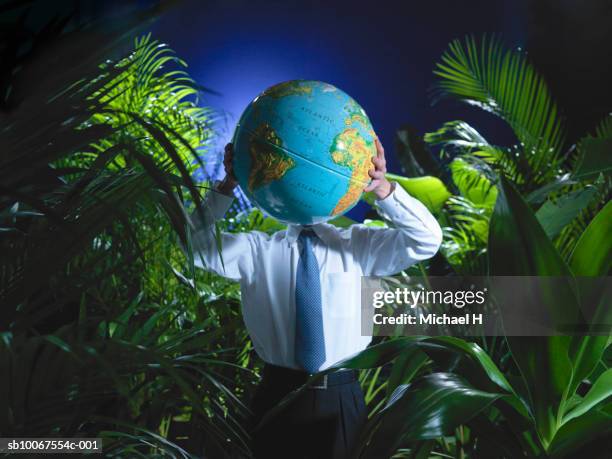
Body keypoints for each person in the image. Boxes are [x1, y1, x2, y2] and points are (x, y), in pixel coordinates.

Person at [189, 138, 442, 458]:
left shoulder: (359, 246)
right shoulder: (256, 251)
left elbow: (427, 240)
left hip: (340, 398)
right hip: (276, 395)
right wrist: (228, 184)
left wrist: (383, 190)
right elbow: (192, 244)